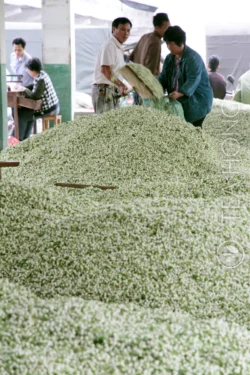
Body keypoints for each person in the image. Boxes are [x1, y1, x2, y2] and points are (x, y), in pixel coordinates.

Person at [158, 26, 213, 127]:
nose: (168, 47)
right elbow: (163, 76)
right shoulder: (169, 58)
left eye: (171, 43)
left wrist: (180, 92)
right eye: (167, 43)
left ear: (180, 42)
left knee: (192, 128)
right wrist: (156, 87)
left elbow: (193, 79)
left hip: (198, 100)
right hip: (179, 100)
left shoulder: (193, 58)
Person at [12, 57, 60, 141]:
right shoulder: (42, 74)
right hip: (52, 106)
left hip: (50, 109)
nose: (28, 71)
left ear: (33, 70)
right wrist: (21, 87)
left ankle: (20, 138)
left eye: (28, 70)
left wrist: (24, 89)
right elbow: (34, 86)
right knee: (27, 112)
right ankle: (24, 138)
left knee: (25, 114)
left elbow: (35, 96)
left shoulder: (41, 80)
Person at [92, 17, 132, 114]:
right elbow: (105, 70)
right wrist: (121, 85)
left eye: (128, 30)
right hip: (104, 91)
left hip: (111, 91)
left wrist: (122, 86)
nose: (126, 33)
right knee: (105, 126)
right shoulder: (110, 45)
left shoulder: (118, 47)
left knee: (111, 126)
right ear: (114, 29)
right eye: (122, 29)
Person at [129, 13, 170, 77]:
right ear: (157, 28)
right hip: (146, 81)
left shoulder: (145, 36)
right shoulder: (155, 42)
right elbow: (150, 70)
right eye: (166, 28)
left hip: (137, 77)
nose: (168, 31)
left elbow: (132, 57)